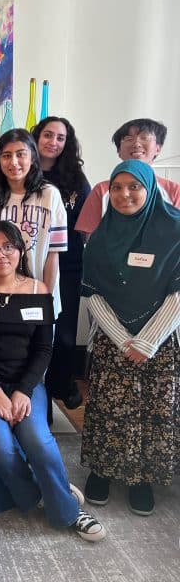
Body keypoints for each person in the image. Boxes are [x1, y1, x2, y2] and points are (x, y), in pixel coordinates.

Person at [0, 221, 105, 543]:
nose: (0, 255)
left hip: (27, 383)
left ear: (20, 252)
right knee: (0, 446)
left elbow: (43, 348)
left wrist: (23, 390)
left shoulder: (38, 290)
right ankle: (37, 494)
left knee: (37, 440)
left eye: (8, 247)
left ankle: (66, 510)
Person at [80, 159, 180, 516]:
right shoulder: (102, 237)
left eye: (134, 187)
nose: (124, 195)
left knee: (152, 410)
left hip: (161, 339)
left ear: (150, 189)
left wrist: (148, 340)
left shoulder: (175, 232)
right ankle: (102, 471)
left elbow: (178, 293)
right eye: (117, 188)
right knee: (108, 408)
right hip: (113, 338)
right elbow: (92, 293)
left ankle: (142, 479)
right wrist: (124, 340)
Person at [0, 128, 67, 316]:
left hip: (38, 292)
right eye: (6, 156)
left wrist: (45, 297)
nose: (14, 162)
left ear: (32, 158)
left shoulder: (50, 196)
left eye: (21, 154)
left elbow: (53, 255)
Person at [32, 117, 91, 413]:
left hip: (67, 265)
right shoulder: (23, 172)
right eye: (47, 135)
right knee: (32, 329)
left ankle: (59, 385)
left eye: (60, 137)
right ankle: (35, 390)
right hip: (28, 264)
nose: (53, 142)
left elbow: (87, 225)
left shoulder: (75, 180)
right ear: (37, 137)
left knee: (65, 336)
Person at [76, 118, 180, 238]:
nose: (136, 144)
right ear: (119, 151)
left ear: (158, 148)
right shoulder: (102, 190)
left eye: (144, 137)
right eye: (128, 139)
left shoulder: (174, 191)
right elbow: (91, 241)